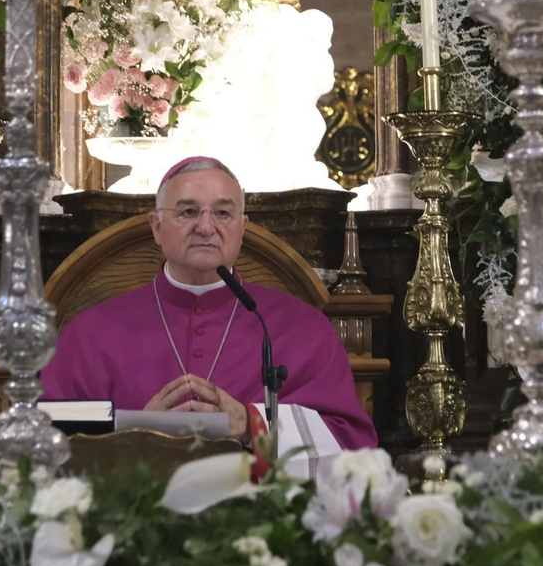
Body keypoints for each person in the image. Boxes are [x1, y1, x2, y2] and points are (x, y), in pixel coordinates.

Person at [39, 157, 378, 471]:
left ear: (242, 229)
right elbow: (43, 442)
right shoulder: (91, 332)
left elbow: (350, 449)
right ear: (157, 226)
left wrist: (250, 425)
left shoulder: (304, 328)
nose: (205, 226)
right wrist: (133, 434)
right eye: (188, 211)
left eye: (222, 213)